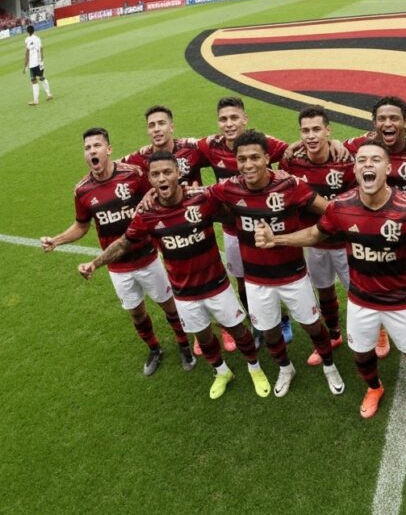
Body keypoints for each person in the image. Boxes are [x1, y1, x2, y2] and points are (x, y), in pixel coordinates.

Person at [255, 139, 406, 422]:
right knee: (361, 353)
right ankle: (374, 388)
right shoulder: (340, 206)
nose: (368, 164)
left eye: (375, 160)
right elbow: (315, 234)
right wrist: (276, 239)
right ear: (354, 170)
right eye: (362, 160)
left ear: (388, 169)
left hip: (401, 300)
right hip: (360, 300)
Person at [77, 151, 272, 399]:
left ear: (178, 173)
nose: (162, 178)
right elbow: (125, 243)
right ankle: (222, 372)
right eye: (156, 174)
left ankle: (254, 368)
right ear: (149, 179)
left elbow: (233, 213)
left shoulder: (201, 199)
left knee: (238, 330)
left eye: (167, 172)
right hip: (183, 293)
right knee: (203, 336)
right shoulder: (146, 214)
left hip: (217, 285)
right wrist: (95, 263)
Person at [201, 129, 344, 398]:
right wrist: (151, 196)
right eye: (242, 159)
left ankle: (329, 365)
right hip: (256, 280)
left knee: (313, 325)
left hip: (293, 276)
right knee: (269, 332)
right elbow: (193, 196)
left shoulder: (290, 185)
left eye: (255, 157)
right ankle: (285, 368)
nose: (248, 164)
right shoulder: (228, 188)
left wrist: (314, 233)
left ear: (267, 158)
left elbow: (330, 210)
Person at [41, 128, 191, 375]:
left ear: (108, 149)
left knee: (169, 306)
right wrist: (56, 240)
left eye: (97, 146)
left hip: (147, 257)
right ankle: (154, 349)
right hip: (118, 267)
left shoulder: (132, 174)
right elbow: (82, 225)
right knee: (136, 313)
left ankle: (184, 345)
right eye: (87, 148)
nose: (92, 151)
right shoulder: (82, 190)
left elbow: (157, 192)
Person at [343, 96, 406, 358]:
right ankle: (380, 330)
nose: (387, 123)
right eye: (382, 119)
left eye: (394, 118)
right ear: (374, 123)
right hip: (370, 236)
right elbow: (332, 146)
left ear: (405, 122)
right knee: (373, 286)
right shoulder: (362, 146)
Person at [197, 97, 293, 348]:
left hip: (265, 227)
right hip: (233, 230)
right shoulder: (211, 145)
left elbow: (293, 151)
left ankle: (283, 319)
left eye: (234, 118)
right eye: (223, 119)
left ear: (245, 119)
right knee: (242, 279)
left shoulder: (262, 142)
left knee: (276, 276)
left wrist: (283, 173)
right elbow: (178, 150)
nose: (229, 124)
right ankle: (257, 321)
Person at [280, 105, 355, 366]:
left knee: (357, 291)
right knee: (323, 289)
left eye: (316, 130)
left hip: (345, 242)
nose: (311, 136)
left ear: (328, 131)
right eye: (305, 131)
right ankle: (334, 334)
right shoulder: (291, 161)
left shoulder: (345, 160)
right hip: (314, 241)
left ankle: (375, 333)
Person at [121, 105, 207, 187]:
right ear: (148, 131)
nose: (156, 129)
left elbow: (214, 146)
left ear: (171, 127)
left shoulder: (191, 148)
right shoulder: (138, 159)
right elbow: (115, 167)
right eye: (151, 125)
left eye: (161, 123)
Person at [22, 24, 53, 106]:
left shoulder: (27, 40)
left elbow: (27, 53)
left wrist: (25, 66)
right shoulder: (37, 39)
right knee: (42, 77)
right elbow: (41, 49)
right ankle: (49, 94)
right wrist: (41, 60)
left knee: (34, 81)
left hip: (32, 64)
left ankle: (36, 100)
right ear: (34, 30)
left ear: (27, 32)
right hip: (38, 62)